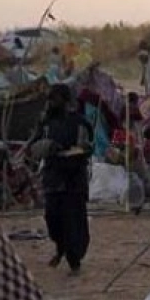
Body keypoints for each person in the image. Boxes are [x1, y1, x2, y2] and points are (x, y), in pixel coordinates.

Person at [30, 84, 93, 273]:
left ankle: (74, 261)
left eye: (55, 99)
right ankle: (60, 247)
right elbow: (33, 147)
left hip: (74, 178)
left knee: (73, 221)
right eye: (50, 99)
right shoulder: (46, 124)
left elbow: (87, 148)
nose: (52, 103)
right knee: (53, 219)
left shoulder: (79, 122)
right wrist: (46, 147)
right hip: (53, 178)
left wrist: (75, 151)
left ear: (65, 101)